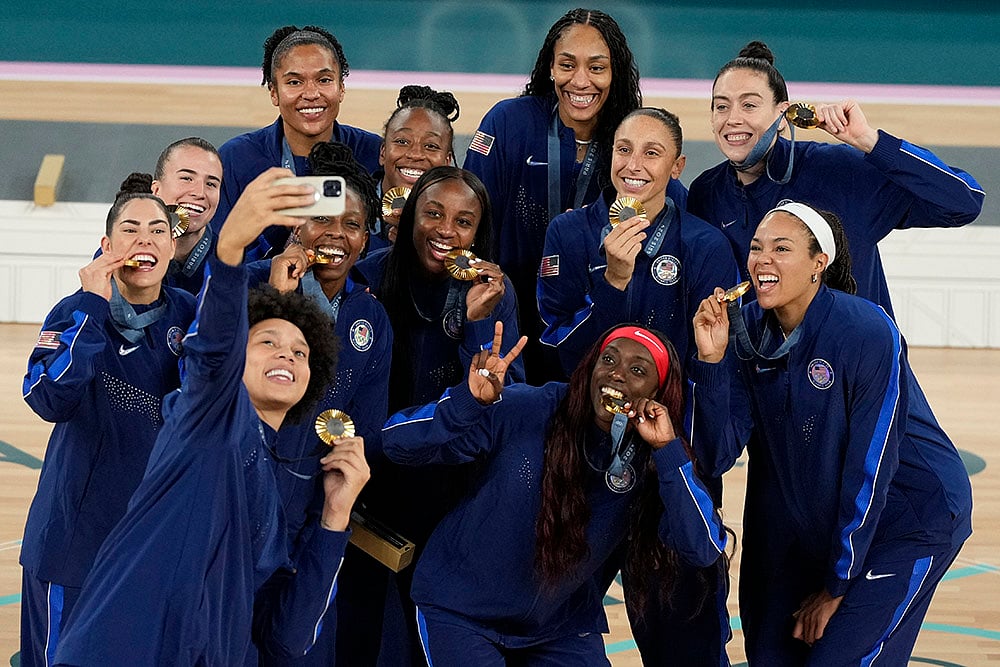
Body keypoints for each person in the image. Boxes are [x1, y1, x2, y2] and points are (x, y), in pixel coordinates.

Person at [53, 169, 370, 666]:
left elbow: (285, 638)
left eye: (301, 352)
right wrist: (229, 255)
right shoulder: (198, 419)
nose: (286, 356)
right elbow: (210, 359)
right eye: (266, 342)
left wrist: (334, 517)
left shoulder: (281, 478)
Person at [691, 201, 972, 664]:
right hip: (820, 528)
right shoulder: (744, 334)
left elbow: (873, 464)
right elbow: (718, 453)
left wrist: (839, 583)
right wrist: (712, 361)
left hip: (908, 520)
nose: (763, 259)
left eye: (782, 248)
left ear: (819, 263)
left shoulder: (865, 330)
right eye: (757, 247)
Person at [380, 322, 729, 665]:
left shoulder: (651, 455)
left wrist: (668, 451)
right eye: (607, 360)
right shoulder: (527, 407)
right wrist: (467, 403)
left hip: (560, 626)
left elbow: (702, 548)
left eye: (637, 369)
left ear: (655, 393)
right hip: (461, 612)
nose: (616, 374)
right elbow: (396, 443)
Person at [537, 106, 740, 663]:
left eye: (652, 153)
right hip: (583, 464)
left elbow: (712, 365)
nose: (634, 164)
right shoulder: (570, 233)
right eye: (624, 149)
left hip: (667, 466)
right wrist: (613, 281)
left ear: (677, 166)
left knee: (684, 639)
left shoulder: (703, 247)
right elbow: (558, 353)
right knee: (545, 617)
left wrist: (694, 459)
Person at [18, 180, 196, 667]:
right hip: (73, 546)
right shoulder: (77, 312)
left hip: (151, 547)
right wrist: (94, 308)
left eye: (158, 230)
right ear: (107, 246)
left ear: (173, 244)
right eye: (131, 229)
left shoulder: (188, 314)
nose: (146, 240)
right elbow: (47, 397)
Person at [356, 165, 523, 664]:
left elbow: (499, 403)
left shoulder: (494, 291)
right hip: (375, 481)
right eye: (433, 213)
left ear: (479, 233)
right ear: (408, 218)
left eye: (464, 221)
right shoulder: (368, 278)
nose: (446, 230)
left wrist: (476, 323)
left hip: (455, 492)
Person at [687, 40, 985, 320]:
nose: (733, 118)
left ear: (783, 115)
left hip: (861, 370)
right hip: (767, 371)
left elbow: (964, 202)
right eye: (721, 106)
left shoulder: (838, 172)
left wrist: (870, 141)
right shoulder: (706, 193)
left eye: (749, 105)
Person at [465, 7, 671, 385]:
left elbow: (670, 203)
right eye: (567, 65)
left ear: (615, 73)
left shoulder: (630, 140)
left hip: (594, 327)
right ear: (549, 68)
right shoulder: (509, 122)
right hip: (508, 315)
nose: (580, 81)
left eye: (596, 68)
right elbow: (468, 210)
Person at [246, 141, 392, 665]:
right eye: (322, 221)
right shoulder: (250, 285)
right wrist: (276, 299)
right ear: (296, 229)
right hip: (237, 503)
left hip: (311, 518)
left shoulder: (370, 319)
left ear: (365, 239)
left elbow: (365, 429)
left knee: (297, 647)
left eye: (352, 225)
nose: (336, 235)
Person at [215, 24, 382, 260]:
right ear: (274, 92)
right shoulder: (237, 159)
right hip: (263, 294)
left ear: (341, 88)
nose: (311, 93)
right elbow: (220, 255)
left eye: (324, 80)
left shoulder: (374, 154)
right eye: (294, 82)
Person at [370, 84, 461, 251]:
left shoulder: (456, 229)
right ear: (383, 153)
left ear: (447, 161)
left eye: (431, 146)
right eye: (402, 142)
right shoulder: (350, 210)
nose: (415, 154)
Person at [151, 136, 224, 294]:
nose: (199, 193)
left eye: (211, 184)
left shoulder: (228, 262)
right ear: (156, 190)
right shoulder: (123, 254)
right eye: (186, 178)